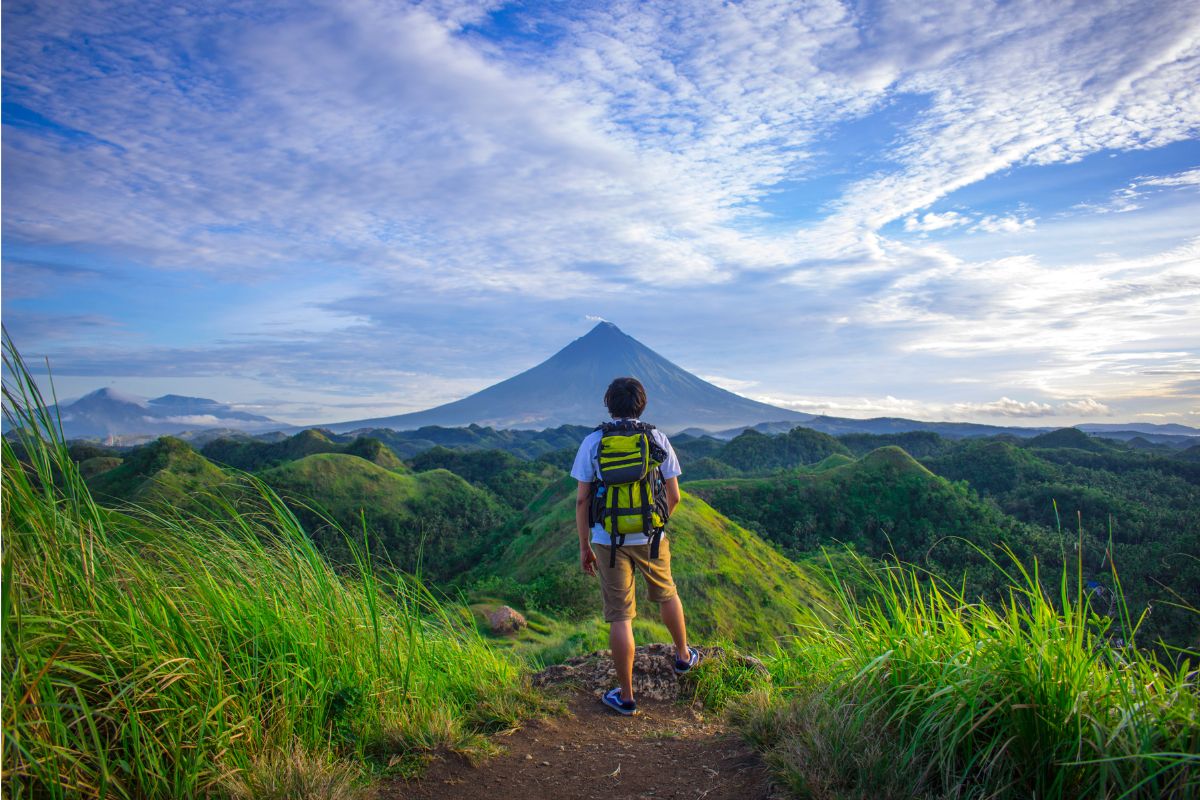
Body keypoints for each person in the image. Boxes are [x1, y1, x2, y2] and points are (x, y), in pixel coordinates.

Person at [570, 376, 699, 716]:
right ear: (642, 404)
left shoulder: (593, 441)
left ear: (608, 404)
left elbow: (583, 500)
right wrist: (655, 524)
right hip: (651, 537)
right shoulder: (656, 437)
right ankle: (683, 657)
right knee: (667, 593)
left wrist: (585, 545)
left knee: (620, 616)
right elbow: (674, 496)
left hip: (606, 540)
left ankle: (626, 698)